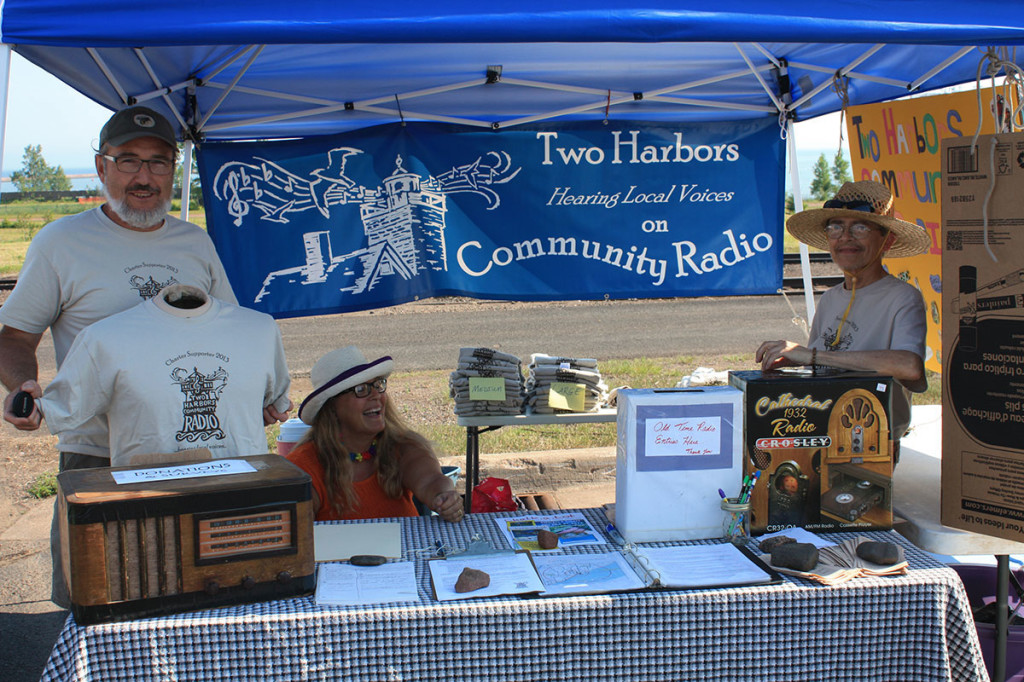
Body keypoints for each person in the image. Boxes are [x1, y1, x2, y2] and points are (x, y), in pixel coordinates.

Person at [0, 105, 287, 607]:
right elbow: (12, 338)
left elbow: (232, 332)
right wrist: (23, 388)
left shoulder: (194, 241)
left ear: (173, 169)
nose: (144, 176)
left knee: (199, 586)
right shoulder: (60, 243)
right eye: (128, 160)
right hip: (99, 453)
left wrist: (256, 395)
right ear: (101, 166)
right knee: (101, 592)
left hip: (199, 455)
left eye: (158, 162)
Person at [30, 284, 292, 466]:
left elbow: (276, 404)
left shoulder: (260, 329)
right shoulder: (103, 339)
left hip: (243, 493)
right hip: (151, 501)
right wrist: (30, 405)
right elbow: (55, 409)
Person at [755, 180, 931, 441]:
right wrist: (795, 361)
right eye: (836, 227)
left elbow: (910, 366)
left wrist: (811, 355)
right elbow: (823, 364)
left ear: (888, 241)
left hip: (872, 440)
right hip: (821, 432)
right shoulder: (830, 299)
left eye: (860, 227)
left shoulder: (903, 298)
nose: (845, 237)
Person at [286, 346, 463, 523]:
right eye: (361, 389)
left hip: (407, 551)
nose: (376, 395)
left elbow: (430, 481)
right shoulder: (304, 467)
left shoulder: (402, 446)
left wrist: (444, 497)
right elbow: (298, 533)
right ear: (332, 408)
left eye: (378, 385)